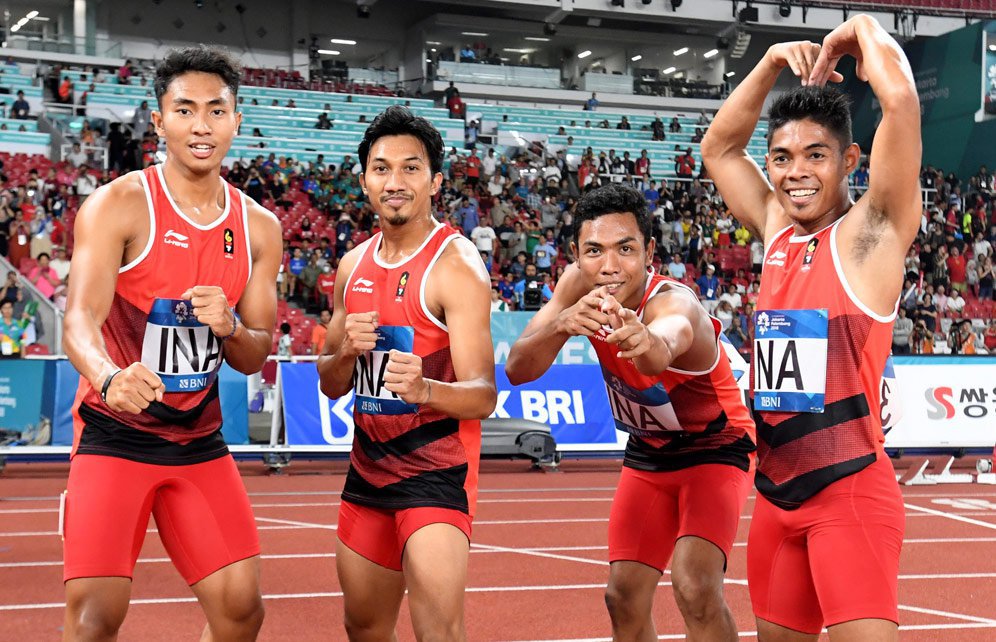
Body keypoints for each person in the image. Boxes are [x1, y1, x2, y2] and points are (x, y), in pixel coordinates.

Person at [702, 15, 921, 640]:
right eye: (782, 158)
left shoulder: (872, 232)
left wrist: (865, 30)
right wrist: (770, 62)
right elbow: (719, 149)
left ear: (850, 159)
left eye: (815, 155)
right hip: (775, 499)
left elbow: (902, 102)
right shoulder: (776, 227)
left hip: (849, 494)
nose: (795, 171)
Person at [61, 46, 281, 641]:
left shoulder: (259, 227)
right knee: (93, 620)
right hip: (114, 434)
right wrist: (109, 376)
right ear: (159, 122)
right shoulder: (119, 204)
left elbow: (255, 354)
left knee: (241, 612)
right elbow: (78, 319)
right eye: (185, 111)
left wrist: (232, 328)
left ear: (236, 120)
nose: (201, 126)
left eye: (216, 111)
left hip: (197, 441)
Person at [506, 184, 755, 641]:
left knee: (695, 586)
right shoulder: (576, 287)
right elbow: (517, 369)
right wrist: (561, 324)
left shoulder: (674, 302)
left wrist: (645, 339)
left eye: (625, 249)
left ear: (649, 252)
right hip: (649, 449)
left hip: (716, 446)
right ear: (575, 256)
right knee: (621, 596)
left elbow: (664, 344)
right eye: (594, 251)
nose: (610, 266)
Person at [316, 106, 496, 641]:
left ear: (435, 181)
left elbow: (484, 394)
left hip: (435, 474)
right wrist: (345, 355)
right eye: (381, 168)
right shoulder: (352, 266)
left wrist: (425, 389)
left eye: (410, 168)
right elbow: (330, 382)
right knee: (363, 627)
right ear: (365, 180)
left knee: (436, 631)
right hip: (367, 471)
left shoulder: (456, 266)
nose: (394, 182)